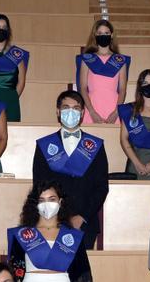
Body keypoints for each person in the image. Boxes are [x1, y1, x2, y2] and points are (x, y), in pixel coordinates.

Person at [7, 182, 92, 282]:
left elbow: (80, 281)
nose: (47, 204)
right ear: (35, 204)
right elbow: (12, 278)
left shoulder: (73, 236)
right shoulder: (22, 236)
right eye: (42, 200)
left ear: (60, 202)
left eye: (52, 199)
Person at [32, 90, 109, 249]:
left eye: (75, 108)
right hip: (52, 222)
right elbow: (39, 186)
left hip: (85, 225)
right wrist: (58, 218)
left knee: (81, 274)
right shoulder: (44, 146)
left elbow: (101, 187)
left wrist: (82, 216)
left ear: (82, 113)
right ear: (58, 112)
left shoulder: (95, 146)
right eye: (66, 107)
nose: (71, 112)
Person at [77, 19, 128, 125]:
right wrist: (91, 112)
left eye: (106, 33)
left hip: (113, 107)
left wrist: (116, 112)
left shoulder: (120, 60)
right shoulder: (87, 59)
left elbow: (122, 90)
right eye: (100, 33)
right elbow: (82, 88)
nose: (103, 35)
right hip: (92, 106)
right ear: (94, 35)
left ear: (112, 35)